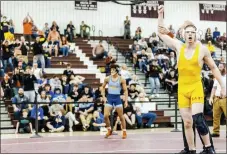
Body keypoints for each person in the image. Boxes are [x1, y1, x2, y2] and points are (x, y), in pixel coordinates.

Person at [157, 5, 225, 154]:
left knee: (198, 119)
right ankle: (191, 150)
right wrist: (160, 14)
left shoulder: (202, 49)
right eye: (187, 32)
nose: (189, 35)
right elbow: (161, 33)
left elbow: (213, 68)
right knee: (187, 123)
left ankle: (209, 148)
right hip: (182, 88)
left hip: (196, 87)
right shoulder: (178, 46)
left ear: (195, 35)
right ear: (183, 34)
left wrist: (223, 85)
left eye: (192, 33)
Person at [101, 64, 128, 139]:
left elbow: (125, 90)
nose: (111, 71)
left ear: (117, 70)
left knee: (121, 116)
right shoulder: (107, 78)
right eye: (111, 70)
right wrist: (103, 97)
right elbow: (102, 87)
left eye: (113, 70)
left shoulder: (122, 79)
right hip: (109, 98)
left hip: (117, 98)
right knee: (106, 115)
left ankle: (124, 131)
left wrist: (126, 101)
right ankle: (109, 130)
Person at [209, 63, 226, 138]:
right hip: (216, 98)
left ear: (225, 68)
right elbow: (214, 88)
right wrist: (211, 97)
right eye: (218, 67)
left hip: (225, 98)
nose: (219, 68)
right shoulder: (216, 77)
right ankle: (216, 132)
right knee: (215, 116)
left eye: (221, 67)